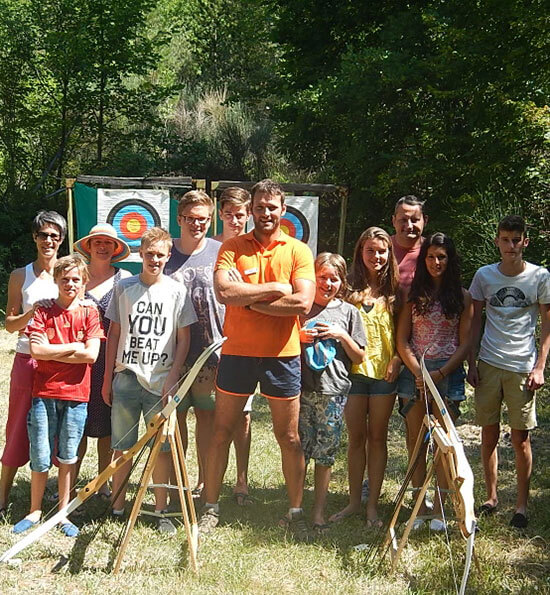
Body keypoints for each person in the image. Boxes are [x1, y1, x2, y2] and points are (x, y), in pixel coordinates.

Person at [201, 178, 315, 540]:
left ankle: (295, 511)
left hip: (283, 355)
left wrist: (248, 299)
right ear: (250, 210)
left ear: (283, 210)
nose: (265, 213)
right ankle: (211, 506)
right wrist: (277, 288)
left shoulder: (298, 250)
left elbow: (303, 303)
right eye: (259, 207)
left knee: (290, 436)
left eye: (272, 207)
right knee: (221, 431)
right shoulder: (232, 247)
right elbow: (223, 292)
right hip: (237, 352)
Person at [102, 227, 197, 535]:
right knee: (122, 447)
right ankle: (117, 505)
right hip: (127, 377)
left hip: (160, 382)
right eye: (150, 254)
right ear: (140, 254)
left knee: (162, 448)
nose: (155, 259)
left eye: (161, 255)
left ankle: (160, 510)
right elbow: (113, 334)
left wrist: (173, 376)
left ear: (168, 256)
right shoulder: (124, 288)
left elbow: (184, 338)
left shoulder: (176, 290)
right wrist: (107, 379)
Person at [467, 215, 550, 529]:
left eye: (517, 240)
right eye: (505, 239)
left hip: (521, 368)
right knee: (487, 435)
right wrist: (472, 362)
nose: (511, 245)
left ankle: (521, 506)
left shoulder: (539, 277)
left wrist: (540, 366)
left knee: (521, 439)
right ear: (497, 242)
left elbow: (546, 326)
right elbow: (474, 322)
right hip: (488, 363)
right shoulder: (484, 277)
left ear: (525, 241)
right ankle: (490, 498)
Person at [13, 254, 103, 537]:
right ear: (56, 281)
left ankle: (63, 513)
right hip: (44, 392)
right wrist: (72, 346)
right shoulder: (43, 312)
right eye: (65, 279)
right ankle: (35, 510)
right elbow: (37, 351)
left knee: (68, 455)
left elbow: (91, 354)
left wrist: (57, 347)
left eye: (76, 279)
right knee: (40, 454)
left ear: (84, 281)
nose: (70, 284)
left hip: (76, 395)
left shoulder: (90, 312)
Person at [396, 232, 473, 530]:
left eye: (441, 257)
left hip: (448, 372)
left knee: (444, 443)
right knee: (416, 441)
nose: (436, 262)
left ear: (450, 259)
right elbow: (402, 340)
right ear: (423, 259)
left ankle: (442, 506)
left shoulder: (463, 297)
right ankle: (419, 505)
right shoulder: (414, 296)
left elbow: (465, 343)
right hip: (415, 372)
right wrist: (419, 373)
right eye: (430, 256)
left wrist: (440, 374)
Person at [329, 227, 401, 527]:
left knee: (377, 438)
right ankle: (354, 502)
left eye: (382, 251)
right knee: (356, 439)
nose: (377, 256)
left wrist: (397, 359)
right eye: (370, 250)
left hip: (384, 376)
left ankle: (373, 506)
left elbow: (404, 334)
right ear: (361, 252)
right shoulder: (348, 291)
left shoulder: (396, 292)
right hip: (354, 374)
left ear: (389, 254)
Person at [0, 210, 66, 515]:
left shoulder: (70, 272)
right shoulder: (20, 275)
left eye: (55, 235)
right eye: (43, 235)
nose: (48, 241)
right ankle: (3, 495)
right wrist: (33, 313)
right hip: (27, 360)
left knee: (54, 428)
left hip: (59, 362)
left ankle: (46, 494)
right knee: (17, 426)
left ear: (62, 240)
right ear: (34, 238)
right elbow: (9, 325)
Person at [298, 253, 366, 532]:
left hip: (333, 392)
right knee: (299, 450)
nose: (327, 283)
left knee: (325, 455)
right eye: (322, 277)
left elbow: (359, 356)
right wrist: (298, 336)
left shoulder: (349, 312)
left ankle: (318, 511)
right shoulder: (302, 307)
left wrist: (342, 335)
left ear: (342, 282)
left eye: (334, 278)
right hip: (301, 388)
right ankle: (296, 507)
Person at [164, 190, 225, 496]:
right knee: (175, 420)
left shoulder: (220, 250)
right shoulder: (165, 252)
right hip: (170, 352)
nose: (197, 224)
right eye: (190, 219)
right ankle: (177, 482)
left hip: (211, 352)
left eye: (203, 219)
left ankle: (203, 481)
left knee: (207, 419)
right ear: (179, 219)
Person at [72, 223, 131, 498]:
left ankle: (103, 481)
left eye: (109, 243)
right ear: (89, 246)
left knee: (108, 423)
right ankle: (70, 479)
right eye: (98, 242)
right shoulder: (75, 277)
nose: (103, 247)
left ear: (116, 248)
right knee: (76, 424)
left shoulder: (126, 278)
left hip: (112, 363)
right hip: (77, 363)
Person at [214, 186, 254, 505]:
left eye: (240, 214)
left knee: (243, 417)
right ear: (220, 214)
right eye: (229, 214)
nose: (235, 220)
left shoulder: (252, 249)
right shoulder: (210, 247)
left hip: (241, 343)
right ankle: (206, 479)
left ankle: (241, 480)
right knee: (210, 418)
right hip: (208, 342)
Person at [391, 195, 428, 291]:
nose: (409, 226)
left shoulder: (433, 251)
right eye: (403, 220)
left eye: (415, 220)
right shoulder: (381, 249)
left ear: (425, 221)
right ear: (394, 221)